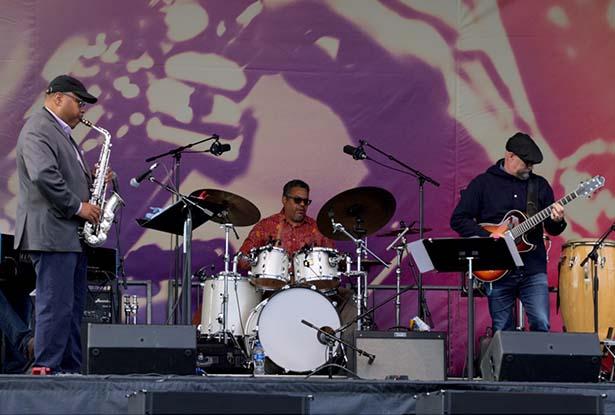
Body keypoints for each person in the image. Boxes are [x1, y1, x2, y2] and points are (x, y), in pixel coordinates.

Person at [14, 75, 101, 374]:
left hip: (66, 234)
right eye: (79, 102)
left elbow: (59, 176)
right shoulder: (39, 129)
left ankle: (69, 370)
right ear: (58, 98)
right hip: (52, 233)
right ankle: (47, 369)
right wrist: (80, 207)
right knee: (55, 304)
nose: (83, 110)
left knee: (71, 307)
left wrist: (94, 179)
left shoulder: (60, 132)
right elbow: (44, 176)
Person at [450, 132, 566, 332]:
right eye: (526, 162)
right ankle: (508, 364)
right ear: (510, 156)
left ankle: (537, 364)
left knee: (541, 323)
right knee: (502, 328)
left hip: (532, 268)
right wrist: (489, 236)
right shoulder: (483, 183)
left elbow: (552, 229)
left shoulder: (540, 186)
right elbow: (459, 219)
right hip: (497, 269)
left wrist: (558, 220)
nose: (530, 167)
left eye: (533, 164)